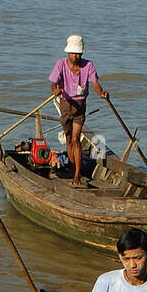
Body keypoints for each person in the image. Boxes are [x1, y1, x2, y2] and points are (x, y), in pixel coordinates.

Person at [48, 34, 108, 187]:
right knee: (68, 138)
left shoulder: (88, 66)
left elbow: (95, 83)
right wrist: (55, 90)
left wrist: (101, 93)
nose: (76, 56)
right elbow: (53, 83)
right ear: (68, 53)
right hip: (66, 105)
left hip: (80, 106)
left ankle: (77, 174)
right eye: (73, 53)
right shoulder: (60, 64)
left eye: (78, 53)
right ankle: (72, 167)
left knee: (76, 139)